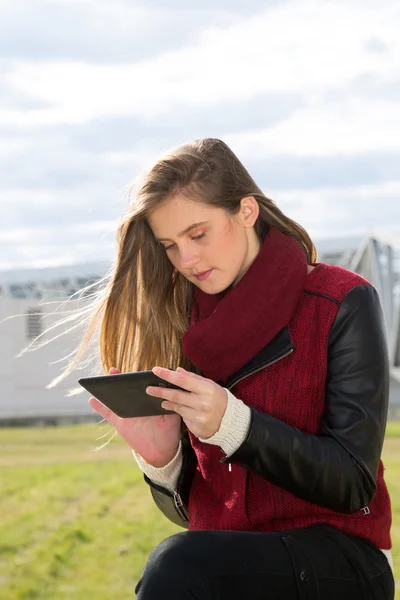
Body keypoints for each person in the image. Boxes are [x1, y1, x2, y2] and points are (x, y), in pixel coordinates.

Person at [76, 138, 394, 598]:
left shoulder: (342, 300)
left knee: (179, 564)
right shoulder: (181, 326)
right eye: (170, 246)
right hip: (234, 565)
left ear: (246, 211)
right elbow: (199, 517)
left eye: (198, 234)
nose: (187, 261)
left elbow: (353, 483)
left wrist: (234, 424)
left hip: (343, 557)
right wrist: (164, 462)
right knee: (186, 560)